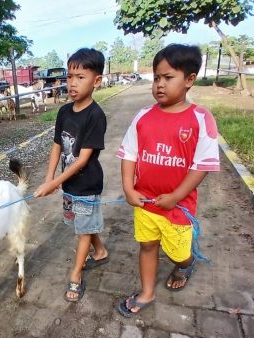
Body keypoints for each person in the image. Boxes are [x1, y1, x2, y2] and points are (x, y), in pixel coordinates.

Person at [116, 44, 220, 316]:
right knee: (147, 246)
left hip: (178, 207)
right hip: (145, 203)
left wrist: (175, 197)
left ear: (189, 80)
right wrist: (128, 188)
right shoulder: (143, 116)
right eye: (156, 77)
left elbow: (201, 166)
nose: (160, 84)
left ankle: (186, 264)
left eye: (168, 77)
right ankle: (147, 293)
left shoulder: (200, 118)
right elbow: (129, 154)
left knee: (177, 253)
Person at [34, 48, 109, 302]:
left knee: (83, 229)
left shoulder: (96, 116)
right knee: (80, 222)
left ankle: (76, 275)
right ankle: (100, 251)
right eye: (69, 76)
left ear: (96, 81)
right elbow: (57, 146)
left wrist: (56, 182)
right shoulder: (64, 112)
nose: (73, 83)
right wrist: (49, 179)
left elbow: (83, 159)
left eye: (80, 77)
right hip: (68, 185)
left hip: (86, 185)